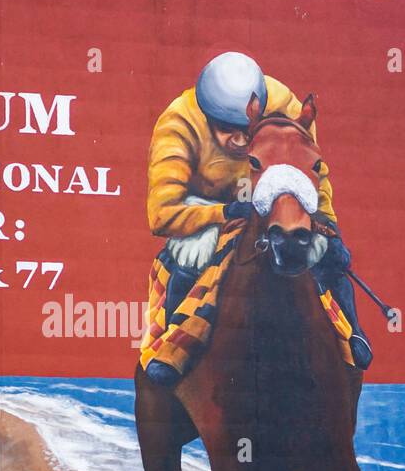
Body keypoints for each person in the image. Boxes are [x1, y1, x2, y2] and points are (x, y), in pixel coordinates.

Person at [144, 51, 372, 384]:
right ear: (206, 118)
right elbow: (162, 214)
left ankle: (352, 330)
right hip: (208, 209)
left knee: (327, 250)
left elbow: (313, 173)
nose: (238, 141)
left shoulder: (286, 106)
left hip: (276, 199)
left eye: (244, 130)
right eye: (226, 131)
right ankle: (174, 345)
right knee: (190, 255)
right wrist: (221, 213)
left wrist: (328, 222)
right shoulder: (177, 126)